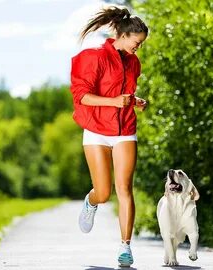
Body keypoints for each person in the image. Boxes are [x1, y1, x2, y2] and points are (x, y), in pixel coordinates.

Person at [69, 5, 149, 268]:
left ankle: (125, 247)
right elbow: (82, 96)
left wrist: (134, 101)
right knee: (104, 192)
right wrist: (116, 101)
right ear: (124, 35)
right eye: (137, 42)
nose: (138, 48)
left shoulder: (133, 62)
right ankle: (91, 202)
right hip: (96, 130)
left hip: (125, 129)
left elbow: (122, 95)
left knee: (124, 188)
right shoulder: (93, 57)